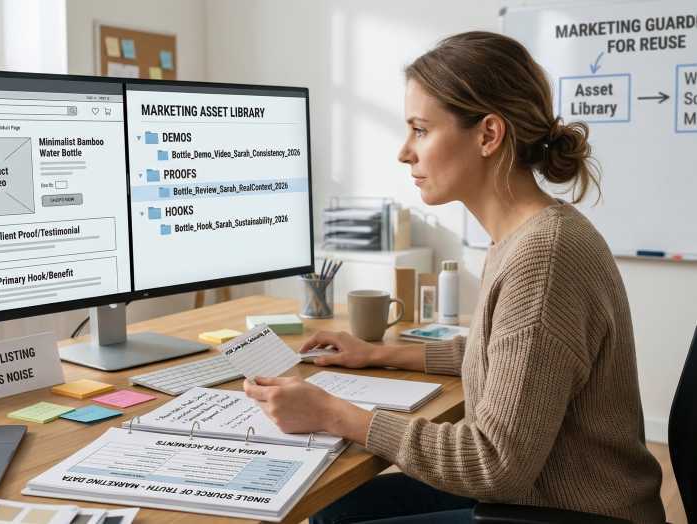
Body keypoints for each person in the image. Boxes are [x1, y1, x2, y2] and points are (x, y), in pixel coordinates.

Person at [243, 31, 665, 524]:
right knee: (331, 511)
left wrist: (334, 414)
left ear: (488, 135)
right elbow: (509, 356)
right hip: (539, 492)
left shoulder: (544, 258)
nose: (405, 152)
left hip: (568, 509)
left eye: (420, 129)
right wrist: (377, 353)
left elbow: (493, 464)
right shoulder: (525, 234)